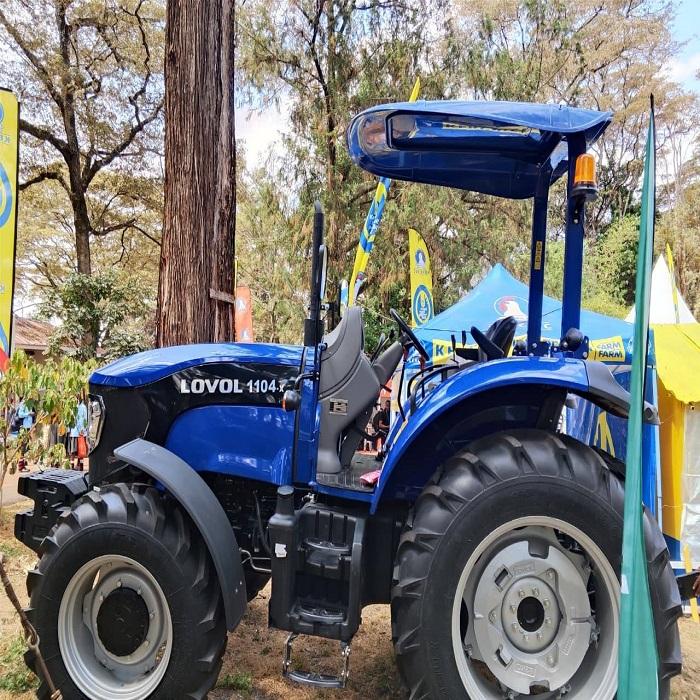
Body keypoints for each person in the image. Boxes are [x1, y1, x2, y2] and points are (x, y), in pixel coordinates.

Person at [69, 396, 88, 470]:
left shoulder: (83, 407)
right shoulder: (72, 407)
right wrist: (69, 430)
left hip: (81, 432)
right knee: (73, 451)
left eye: (78, 398)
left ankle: (81, 466)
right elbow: (70, 419)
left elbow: (85, 419)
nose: (77, 399)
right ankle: (72, 466)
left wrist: (83, 429)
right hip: (74, 431)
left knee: (81, 450)